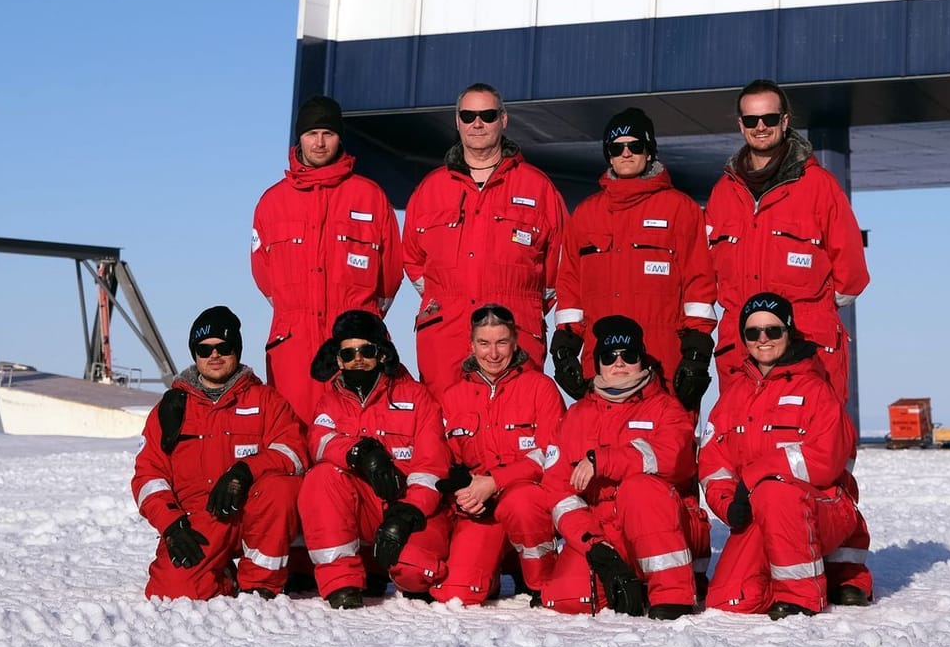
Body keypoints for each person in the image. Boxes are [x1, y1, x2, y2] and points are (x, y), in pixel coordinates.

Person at [698, 293, 874, 617]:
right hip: (758, 510)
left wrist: (753, 477)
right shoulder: (732, 397)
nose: (763, 340)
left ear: (789, 331)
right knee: (729, 601)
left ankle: (802, 596)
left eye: (773, 331)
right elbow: (713, 463)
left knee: (774, 490)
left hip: (824, 507)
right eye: (753, 333)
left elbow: (825, 460)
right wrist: (728, 505)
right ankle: (800, 569)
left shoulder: (816, 390)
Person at [705, 79, 870, 404]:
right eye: (752, 120)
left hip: (806, 343)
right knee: (742, 447)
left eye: (769, 118)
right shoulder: (723, 193)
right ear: (741, 125)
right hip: (739, 347)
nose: (761, 127)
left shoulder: (819, 187)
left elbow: (851, 276)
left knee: (814, 444)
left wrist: (810, 312)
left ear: (785, 120)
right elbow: (705, 272)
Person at [402, 83, 568, 397]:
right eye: (468, 116)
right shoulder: (430, 190)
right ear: (457, 121)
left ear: (503, 120)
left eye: (487, 115)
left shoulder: (538, 188)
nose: (477, 124)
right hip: (445, 335)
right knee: (444, 430)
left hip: (515, 330)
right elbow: (412, 259)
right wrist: (446, 296)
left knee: (517, 426)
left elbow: (558, 268)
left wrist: (522, 303)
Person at [131, 306, 307, 600]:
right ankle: (225, 577)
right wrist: (172, 526)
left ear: (237, 350)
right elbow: (148, 476)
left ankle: (260, 582)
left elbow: (294, 453)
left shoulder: (267, 401)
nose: (214, 356)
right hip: (200, 519)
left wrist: (244, 472)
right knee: (172, 591)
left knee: (281, 487)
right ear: (194, 354)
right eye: (204, 349)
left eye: (223, 347)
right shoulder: (171, 410)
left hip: (253, 511)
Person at [539, 316, 705, 619]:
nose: (619, 363)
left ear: (642, 360)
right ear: (597, 363)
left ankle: (672, 595)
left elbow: (675, 458)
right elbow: (558, 491)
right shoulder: (575, 416)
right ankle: (627, 578)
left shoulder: (667, 408)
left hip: (664, 526)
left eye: (629, 355)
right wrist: (595, 547)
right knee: (567, 599)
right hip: (604, 532)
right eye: (609, 356)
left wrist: (603, 461)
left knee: (639, 488)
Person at [552, 106, 717, 410]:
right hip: (602, 365)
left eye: (635, 145)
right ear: (608, 155)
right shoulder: (586, 215)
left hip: (664, 362)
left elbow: (699, 285)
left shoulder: (681, 210)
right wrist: (564, 347)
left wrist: (696, 350)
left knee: (667, 451)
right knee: (599, 450)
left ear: (650, 151)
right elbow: (570, 287)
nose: (626, 153)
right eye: (617, 148)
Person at [251, 95, 402, 419]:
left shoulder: (370, 197)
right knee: (293, 434)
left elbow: (390, 277)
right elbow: (265, 279)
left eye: (328, 133)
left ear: (340, 138)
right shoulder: (272, 203)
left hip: (356, 344)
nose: (319, 143)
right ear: (299, 139)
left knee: (362, 433)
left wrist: (359, 319)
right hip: (293, 345)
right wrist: (295, 312)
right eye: (311, 134)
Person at [297, 309, 453, 608]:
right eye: (349, 352)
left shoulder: (417, 398)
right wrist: (359, 452)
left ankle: (395, 568)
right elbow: (319, 442)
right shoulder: (330, 401)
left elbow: (432, 466)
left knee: (416, 573)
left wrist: (406, 513)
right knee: (322, 477)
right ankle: (342, 583)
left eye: (366, 350)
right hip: (365, 505)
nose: (358, 358)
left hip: (411, 506)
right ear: (338, 359)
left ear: (382, 354)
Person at [430, 305, 566, 605]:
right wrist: (463, 494)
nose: (493, 353)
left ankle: (542, 582)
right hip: (482, 511)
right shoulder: (453, 396)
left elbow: (552, 454)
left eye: (501, 342)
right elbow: (447, 461)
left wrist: (496, 480)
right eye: (484, 343)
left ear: (515, 342)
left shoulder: (540, 388)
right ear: (471, 344)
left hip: (527, 502)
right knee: (458, 595)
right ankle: (486, 575)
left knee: (522, 502)